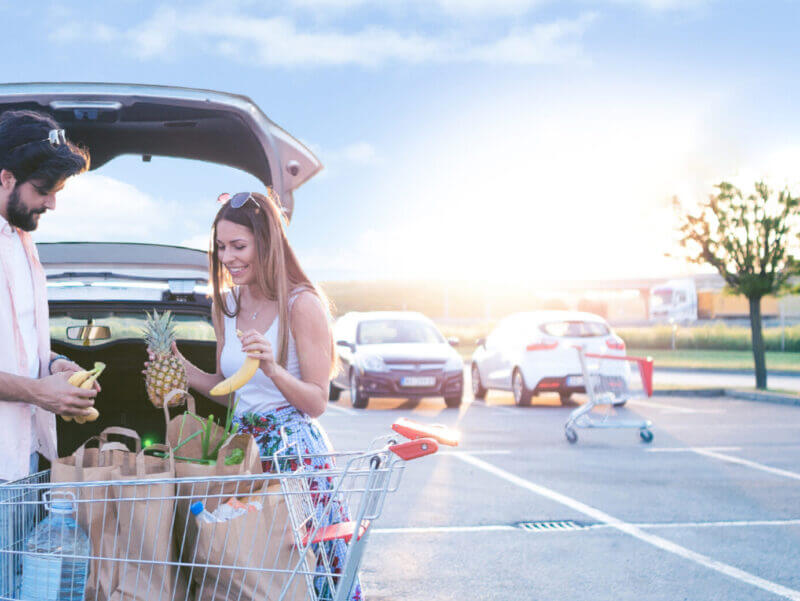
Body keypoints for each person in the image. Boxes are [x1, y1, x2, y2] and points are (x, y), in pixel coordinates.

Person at [174, 190, 362, 601]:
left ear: (267, 242)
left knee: (309, 574)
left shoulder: (301, 303)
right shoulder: (225, 304)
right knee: (249, 570)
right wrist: (187, 374)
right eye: (221, 247)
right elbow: (236, 397)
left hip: (294, 458)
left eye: (239, 246)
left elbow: (315, 402)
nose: (228, 257)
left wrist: (273, 369)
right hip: (243, 456)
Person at [0, 110, 95, 483]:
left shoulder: (22, 240)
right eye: (43, 191)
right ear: (6, 178)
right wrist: (40, 393)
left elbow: (17, 340)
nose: (52, 204)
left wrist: (54, 364)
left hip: (22, 460)